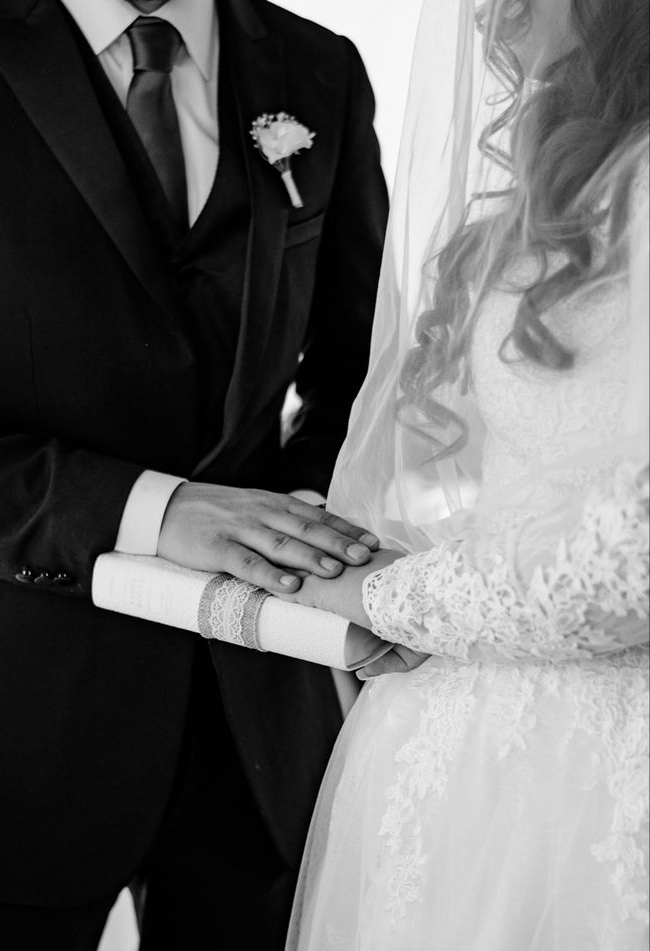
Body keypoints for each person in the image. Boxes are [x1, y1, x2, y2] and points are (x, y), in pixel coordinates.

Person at [0, 0, 389, 948]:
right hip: (4, 718)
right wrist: (157, 511)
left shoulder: (317, 68)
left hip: (257, 719)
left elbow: (363, 376)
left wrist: (298, 517)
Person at [283, 0, 650, 947]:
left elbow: (630, 561)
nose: (489, 15)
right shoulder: (578, 172)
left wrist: (388, 594)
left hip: (603, 767)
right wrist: (373, 549)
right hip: (458, 749)